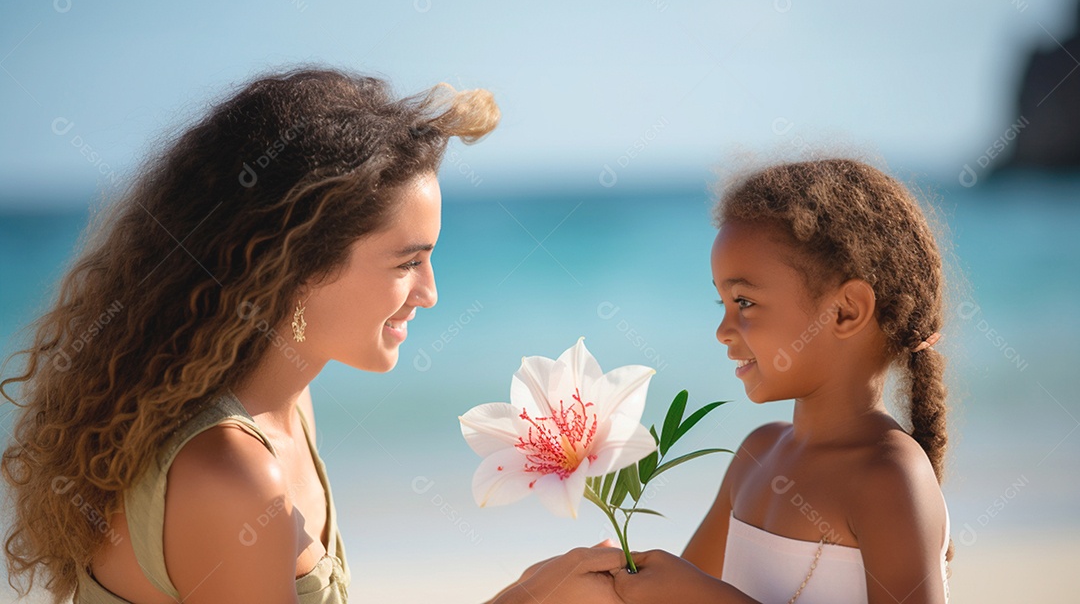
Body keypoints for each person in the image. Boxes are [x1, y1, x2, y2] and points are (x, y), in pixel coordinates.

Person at [0, 69, 624, 604]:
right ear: (295, 267)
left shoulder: (284, 407)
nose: (430, 292)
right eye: (407, 262)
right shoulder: (233, 476)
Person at [613, 158, 952, 604]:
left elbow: (695, 593)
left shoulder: (889, 477)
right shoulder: (755, 457)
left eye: (745, 302)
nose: (722, 330)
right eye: (722, 304)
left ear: (846, 310)